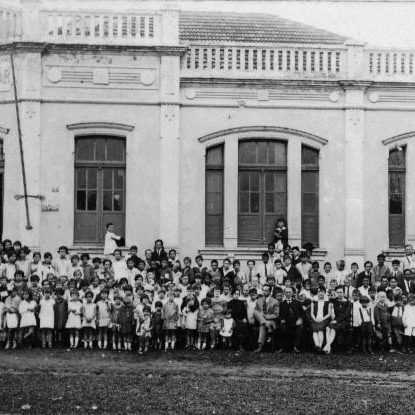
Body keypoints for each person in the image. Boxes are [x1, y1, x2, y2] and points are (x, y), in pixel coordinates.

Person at [253, 284, 279, 352]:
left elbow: (276, 315)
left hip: (271, 322)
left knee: (262, 325)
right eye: (263, 290)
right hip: (262, 321)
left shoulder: (275, 301)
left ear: (270, 291)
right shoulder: (259, 300)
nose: (264, 292)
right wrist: (262, 318)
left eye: (266, 291)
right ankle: (265, 323)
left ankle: (260, 346)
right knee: (255, 312)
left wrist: (265, 316)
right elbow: (256, 313)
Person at [279, 287, 304, 353]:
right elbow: (280, 315)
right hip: (286, 322)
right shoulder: (281, 304)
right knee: (282, 328)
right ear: (284, 293)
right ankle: (283, 347)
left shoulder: (297, 303)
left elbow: (302, 314)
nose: (288, 294)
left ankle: (296, 347)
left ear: (292, 293)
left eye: (289, 292)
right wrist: (281, 320)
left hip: (296, 322)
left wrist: (300, 319)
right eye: (286, 292)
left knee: (300, 327)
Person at [329, 286, 351, 353]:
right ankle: (330, 346)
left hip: (345, 321)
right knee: (328, 327)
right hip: (335, 320)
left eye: (341, 292)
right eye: (338, 292)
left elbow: (346, 314)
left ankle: (337, 347)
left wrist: (337, 320)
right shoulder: (334, 301)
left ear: (344, 293)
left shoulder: (348, 302)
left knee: (337, 326)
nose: (339, 294)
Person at [310, 286, 332, 352]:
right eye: (319, 291)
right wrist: (315, 318)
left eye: (322, 292)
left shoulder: (328, 302)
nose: (321, 293)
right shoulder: (314, 301)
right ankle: (317, 346)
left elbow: (329, 314)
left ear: (324, 292)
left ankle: (320, 345)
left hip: (324, 319)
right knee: (314, 331)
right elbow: (312, 313)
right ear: (317, 293)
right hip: (315, 319)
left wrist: (322, 319)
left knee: (320, 330)